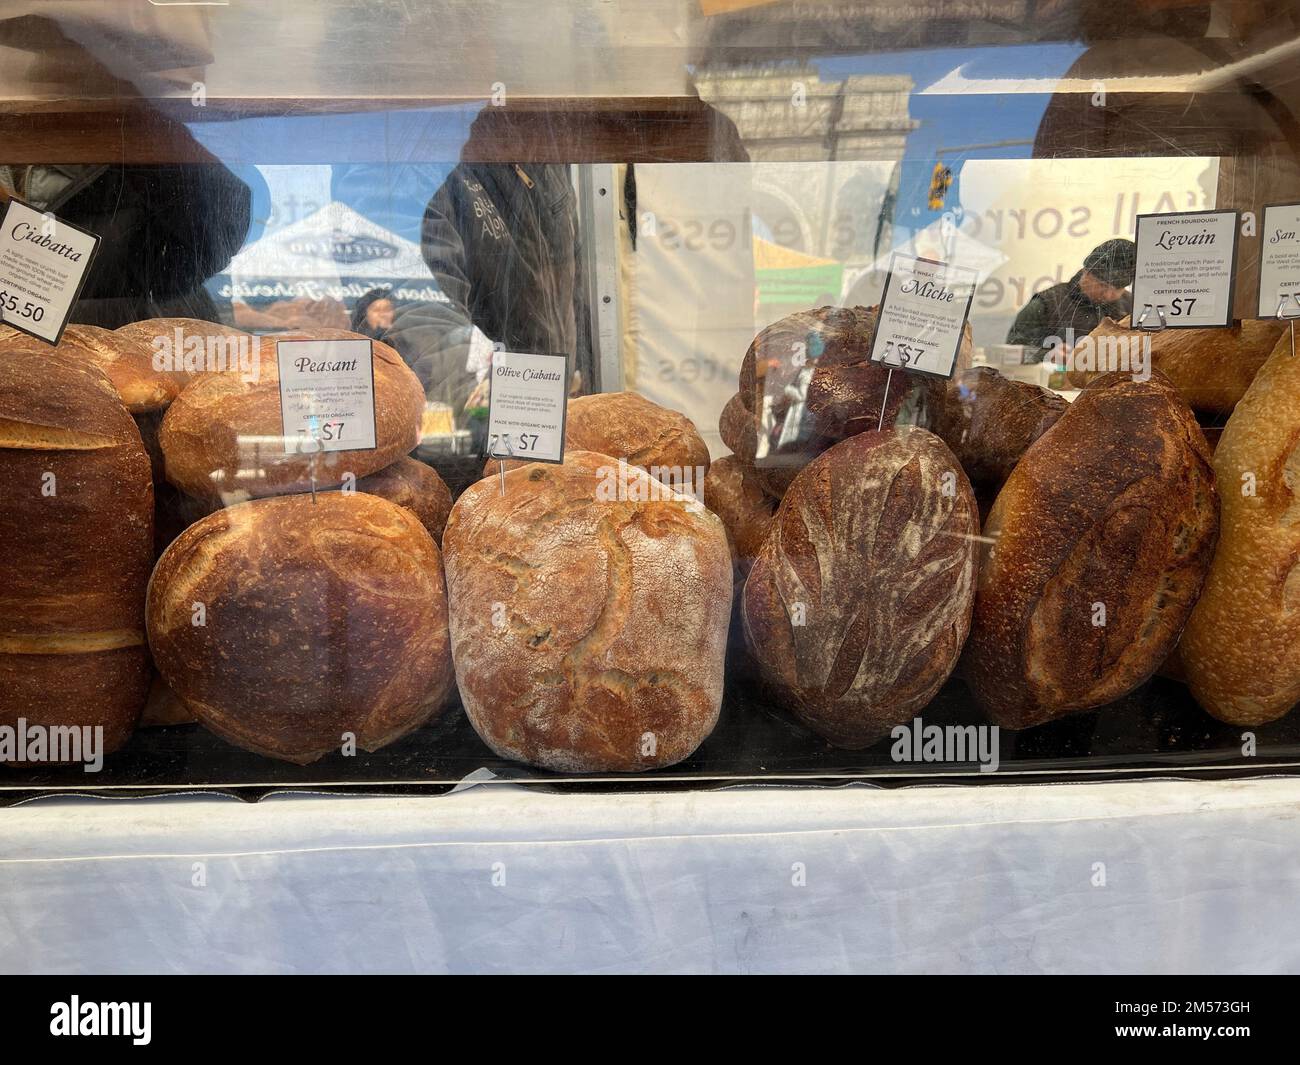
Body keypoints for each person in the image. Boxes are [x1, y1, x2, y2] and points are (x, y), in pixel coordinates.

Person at [1006, 238, 1136, 350]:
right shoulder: (1046, 304)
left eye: (1117, 289)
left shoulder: (1133, 308)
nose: (1108, 295)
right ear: (1086, 273)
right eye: (1102, 285)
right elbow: (1010, 350)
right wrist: (1044, 355)